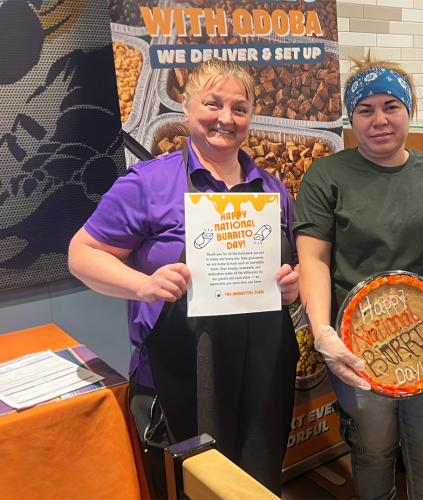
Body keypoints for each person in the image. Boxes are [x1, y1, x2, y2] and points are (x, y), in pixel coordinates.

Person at [68, 59, 299, 498]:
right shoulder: (147, 183)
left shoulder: (272, 188)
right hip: (178, 371)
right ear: (187, 106)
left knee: (255, 482)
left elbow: (295, 268)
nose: (225, 119)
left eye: (239, 108)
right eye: (212, 104)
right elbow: (82, 254)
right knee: (187, 486)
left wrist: (293, 283)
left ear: (251, 116)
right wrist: (142, 285)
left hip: (261, 372)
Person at [294, 54, 423, 500]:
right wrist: (322, 331)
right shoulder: (327, 175)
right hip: (358, 346)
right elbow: (311, 257)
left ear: (410, 110)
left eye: (392, 106)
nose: (379, 119)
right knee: (372, 451)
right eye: (365, 109)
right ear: (351, 117)